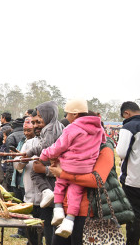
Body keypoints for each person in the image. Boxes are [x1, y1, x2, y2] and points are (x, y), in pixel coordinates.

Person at [48, 133, 134, 245]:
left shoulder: (104, 146)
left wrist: (63, 174)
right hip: (65, 210)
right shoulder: (72, 142)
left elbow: (96, 180)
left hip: (88, 213)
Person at [39, 99, 105, 238]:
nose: (66, 117)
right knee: (76, 192)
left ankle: (58, 211)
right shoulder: (99, 128)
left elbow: (59, 146)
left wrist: (45, 154)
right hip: (85, 168)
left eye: (67, 114)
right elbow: (103, 141)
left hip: (68, 165)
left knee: (60, 184)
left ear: (75, 114)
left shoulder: (72, 128)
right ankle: (69, 220)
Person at [27, 103, 64, 245]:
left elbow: (47, 148)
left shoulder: (49, 131)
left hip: (59, 186)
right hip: (54, 189)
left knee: (57, 229)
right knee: (49, 225)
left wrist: (44, 168)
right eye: (34, 122)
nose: (36, 125)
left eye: (39, 120)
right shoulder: (60, 128)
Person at [117, 101, 140, 245]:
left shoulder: (129, 126)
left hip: (134, 179)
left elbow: (121, 152)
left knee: (135, 216)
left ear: (127, 113)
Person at [13, 117, 37, 242]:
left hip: (43, 192)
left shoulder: (45, 141)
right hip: (27, 186)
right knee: (30, 219)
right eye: (25, 130)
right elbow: (17, 166)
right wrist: (21, 160)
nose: (27, 133)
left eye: (29, 130)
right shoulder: (25, 143)